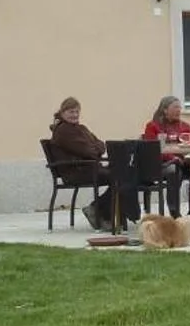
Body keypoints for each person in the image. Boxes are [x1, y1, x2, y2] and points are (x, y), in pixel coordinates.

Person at [48, 97, 134, 232]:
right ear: (63, 113)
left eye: (77, 112)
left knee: (124, 174)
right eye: (71, 112)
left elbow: (101, 145)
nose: (75, 115)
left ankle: (100, 211)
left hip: (89, 168)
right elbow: (88, 151)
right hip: (76, 172)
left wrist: (94, 148)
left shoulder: (81, 128)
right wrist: (94, 149)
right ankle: (100, 212)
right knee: (120, 176)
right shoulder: (64, 130)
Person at [144, 95, 190, 219]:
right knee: (174, 171)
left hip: (182, 161)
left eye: (180, 107)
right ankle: (174, 212)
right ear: (165, 110)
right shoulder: (153, 126)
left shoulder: (184, 126)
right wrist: (171, 158)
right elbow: (152, 150)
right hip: (162, 164)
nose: (179, 110)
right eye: (175, 107)